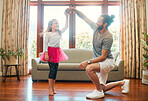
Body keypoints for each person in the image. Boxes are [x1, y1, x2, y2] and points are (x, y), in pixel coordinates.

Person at [68, 8, 130, 99]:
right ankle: (122, 83)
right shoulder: (96, 27)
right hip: (100, 62)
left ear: (104, 24)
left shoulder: (108, 37)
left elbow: (103, 57)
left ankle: (98, 92)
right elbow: (84, 18)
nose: (96, 23)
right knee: (102, 88)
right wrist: (75, 10)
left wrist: (88, 62)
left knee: (89, 68)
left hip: (107, 61)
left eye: (99, 21)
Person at [40, 10, 69, 96]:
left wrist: (66, 16)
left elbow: (66, 26)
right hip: (50, 52)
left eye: (58, 23)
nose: (57, 24)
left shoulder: (59, 32)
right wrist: (46, 53)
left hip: (57, 51)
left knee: (55, 70)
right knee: (52, 70)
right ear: (51, 25)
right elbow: (45, 44)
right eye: (55, 23)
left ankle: (53, 88)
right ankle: (49, 88)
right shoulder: (48, 34)